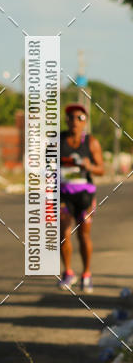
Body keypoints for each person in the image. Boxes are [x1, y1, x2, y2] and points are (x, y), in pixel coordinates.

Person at [59, 103, 104, 293]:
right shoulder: (57, 141)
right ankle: (68, 272)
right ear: (66, 120)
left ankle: (86, 273)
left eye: (80, 118)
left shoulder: (91, 142)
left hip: (85, 195)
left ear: (85, 121)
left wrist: (89, 166)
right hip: (63, 193)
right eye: (71, 117)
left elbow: (101, 169)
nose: (75, 121)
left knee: (84, 234)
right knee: (63, 232)